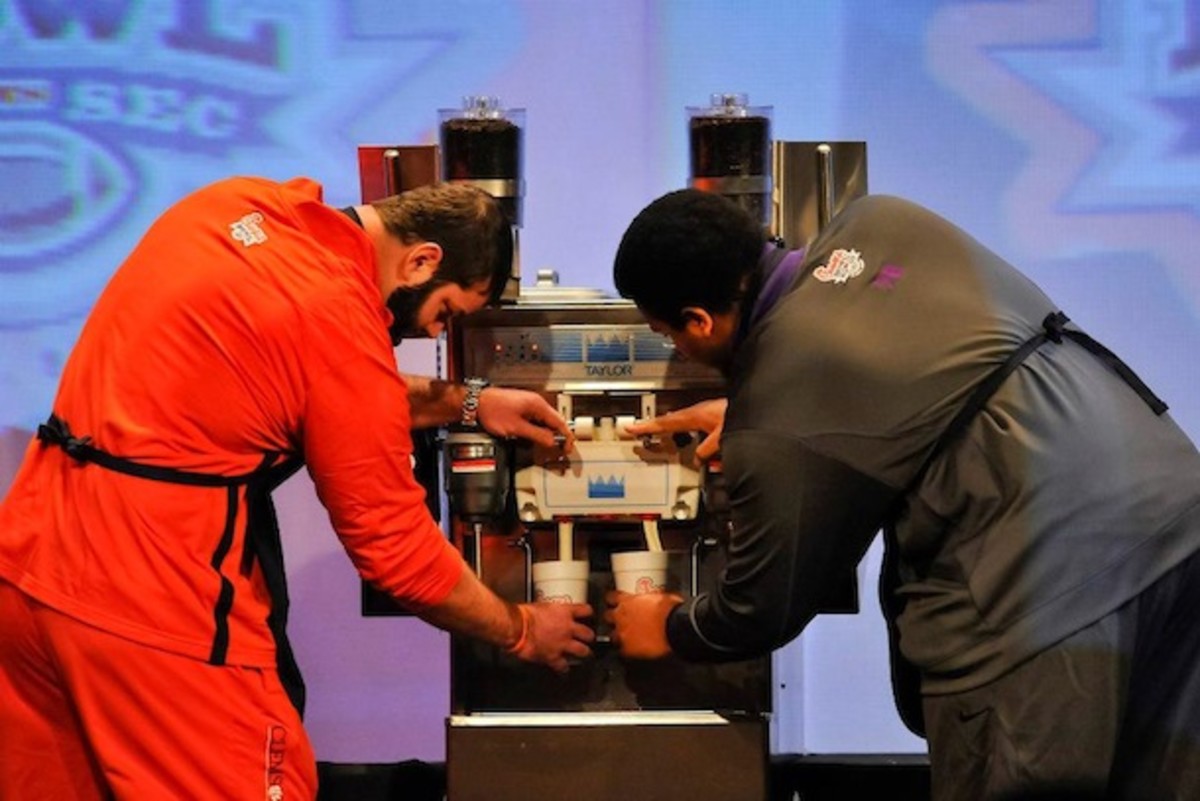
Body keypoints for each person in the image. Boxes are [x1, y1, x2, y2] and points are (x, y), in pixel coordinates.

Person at [0, 176, 595, 799]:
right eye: (443, 313)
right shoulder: (338, 316)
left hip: (32, 573)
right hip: (154, 604)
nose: (429, 335)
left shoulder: (236, 206)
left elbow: (301, 382)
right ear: (422, 260)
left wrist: (467, 402)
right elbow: (399, 558)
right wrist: (522, 628)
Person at [605, 189, 1200, 801]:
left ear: (698, 320)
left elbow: (763, 606)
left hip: (1044, 593)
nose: (677, 350)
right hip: (1176, 522)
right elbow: (911, 366)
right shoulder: (883, 221)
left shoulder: (780, 418)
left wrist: (674, 627)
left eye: (666, 333)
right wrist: (780, 416)